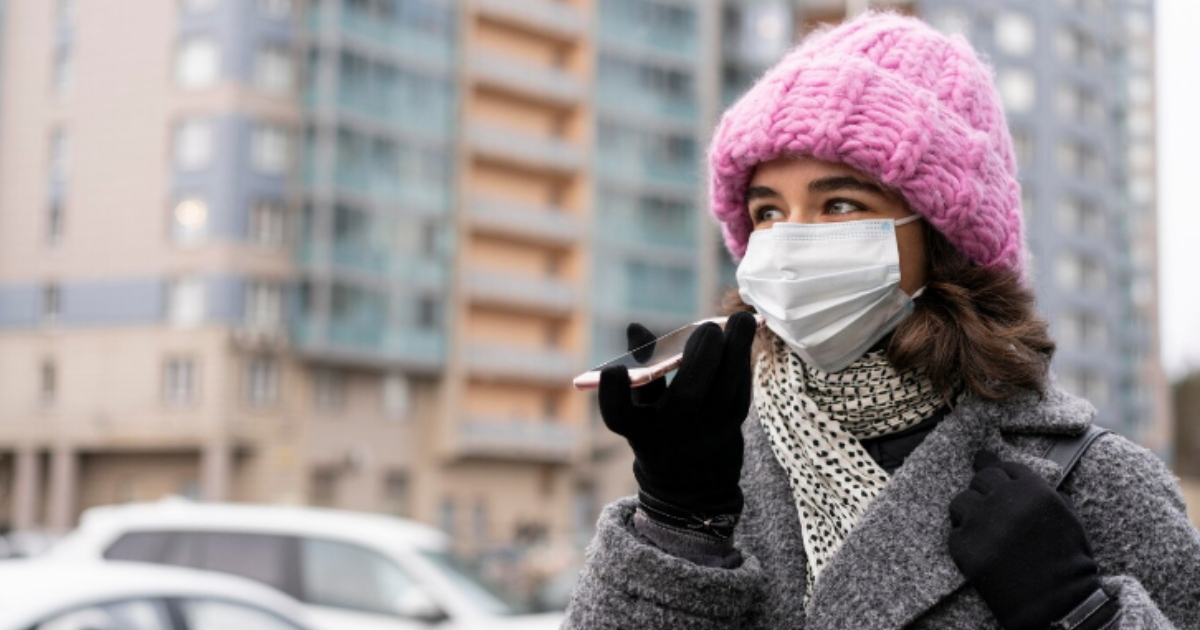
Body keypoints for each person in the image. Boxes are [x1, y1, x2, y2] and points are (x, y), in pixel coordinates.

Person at [563, 12, 1200, 630]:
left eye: (839, 203)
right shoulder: (724, 468)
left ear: (944, 236)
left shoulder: (1093, 480)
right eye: (767, 213)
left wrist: (1079, 612)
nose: (790, 244)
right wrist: (678, 525)